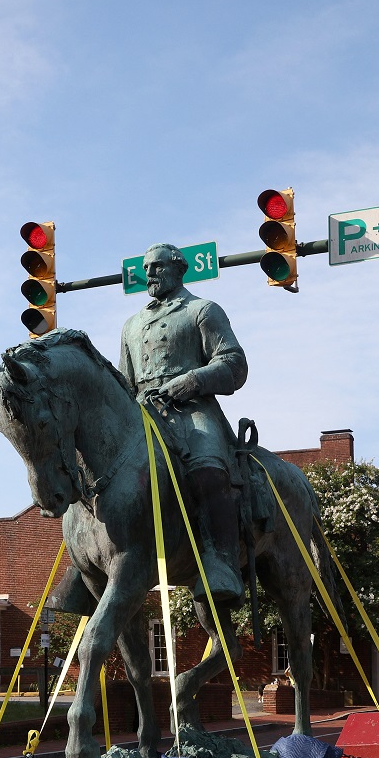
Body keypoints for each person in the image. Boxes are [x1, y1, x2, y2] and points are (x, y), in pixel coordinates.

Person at [118, 243, 248, 607]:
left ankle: (220, 563)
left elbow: (235, 363)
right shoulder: (131, 325)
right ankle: (89, 567)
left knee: (208, 470)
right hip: (143, 413)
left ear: (179, 268)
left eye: (156, 267)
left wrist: (193, 381)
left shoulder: (202, 310)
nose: (149, 274)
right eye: (146, 268)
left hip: (192, 409)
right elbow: (125, 384)